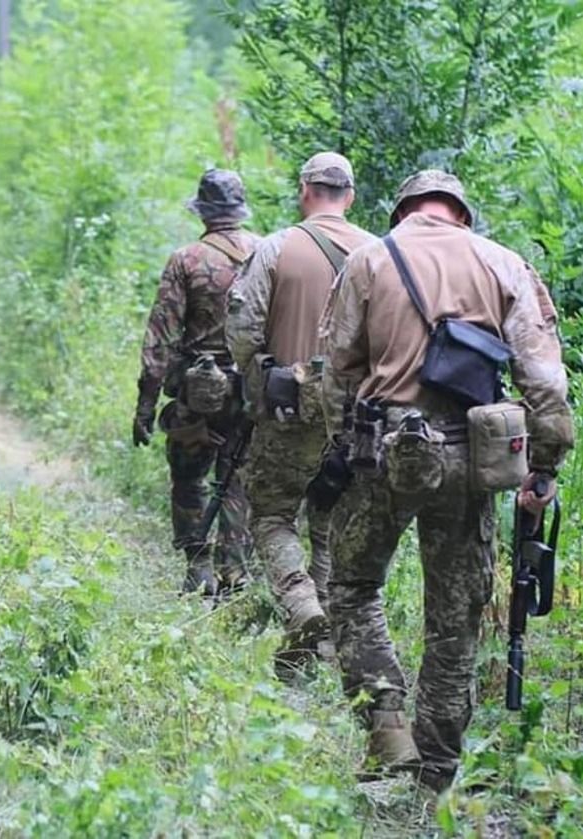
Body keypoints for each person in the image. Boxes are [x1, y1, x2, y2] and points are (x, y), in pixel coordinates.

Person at [318, 170, 573, 791]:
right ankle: (435, 772)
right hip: (471, 458)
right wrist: (544, 465)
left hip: (385, 452)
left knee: (350, 586)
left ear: (404, 211)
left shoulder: (369, 258)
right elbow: (544, 380)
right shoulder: (504, 263)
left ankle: (385, 722)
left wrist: (343, 442)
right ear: (462, 214)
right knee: (454, 620)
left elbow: (335, 368)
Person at [227, 152, 375, 677]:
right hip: (358, 415)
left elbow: (242, 330)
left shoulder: (275, 248)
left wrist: (260, 374)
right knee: (332, 520)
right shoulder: (380, 254)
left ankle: (302, 606)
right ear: (350, 196)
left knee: (271, 514)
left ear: (304, 190)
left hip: (290, 407)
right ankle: (328, 641)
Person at [133, 169, 260, 597]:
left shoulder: (186, 259)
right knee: (237, 478)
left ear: (203, 211)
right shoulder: (267, 253)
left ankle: (198, 567)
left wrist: (146, 405)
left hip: (197, 393)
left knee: (189, 478)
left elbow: (161, 337)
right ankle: (234, 572)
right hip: (250, 390)